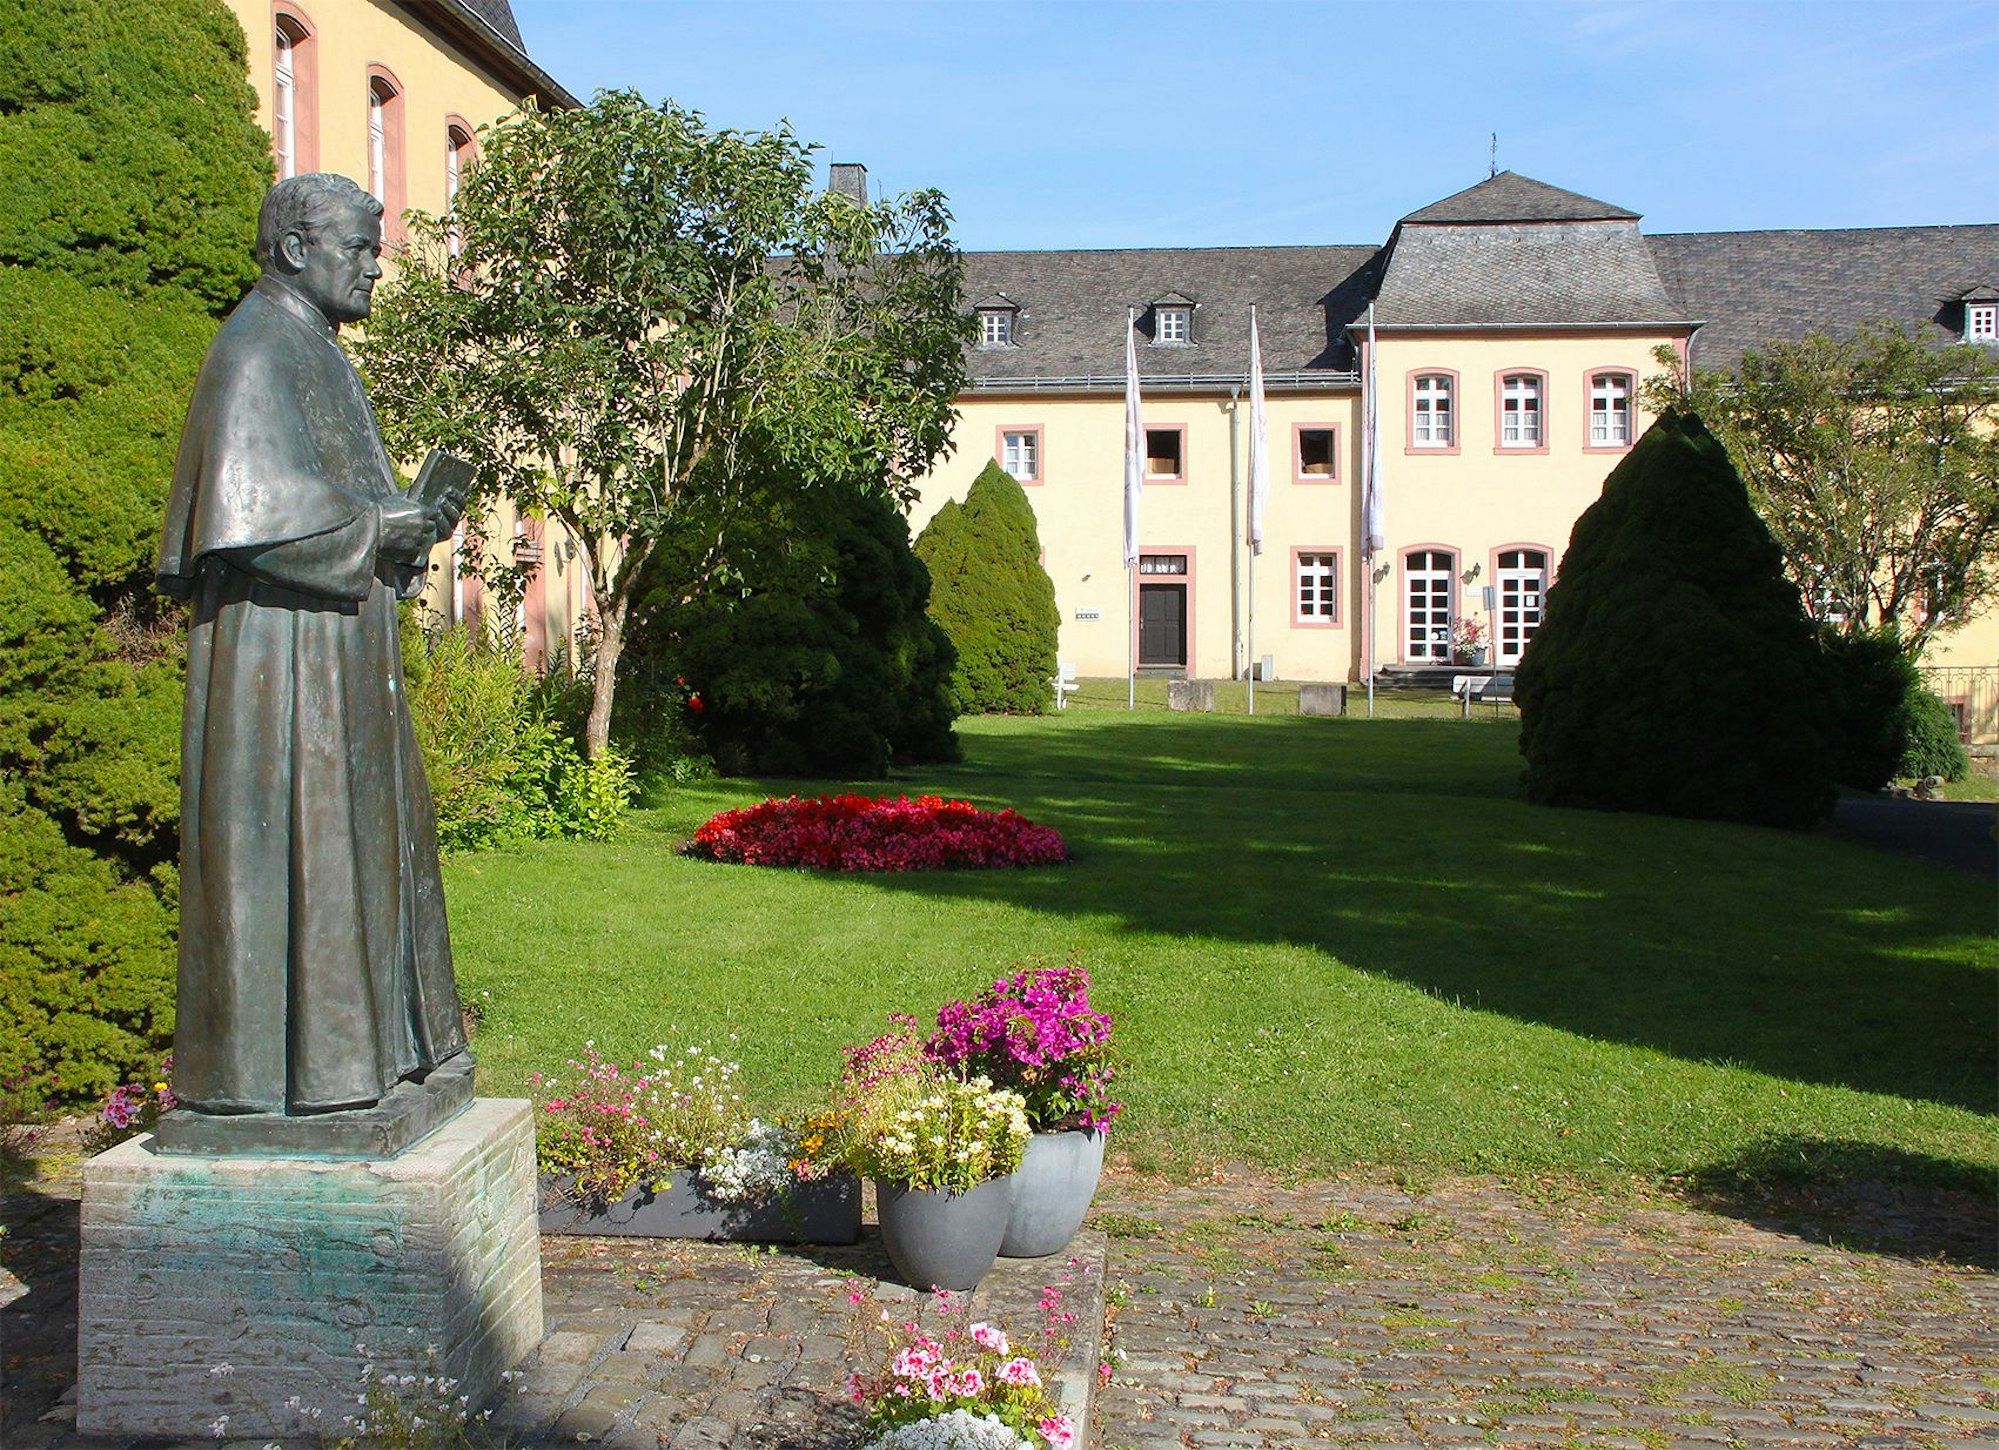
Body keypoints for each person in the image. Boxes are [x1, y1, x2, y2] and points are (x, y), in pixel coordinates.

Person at [157, 174, 471, 1115]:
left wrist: (406, 525)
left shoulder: (321, 352)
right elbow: (250, 515)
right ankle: (305, 1082)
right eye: (360, 250)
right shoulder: (255, 348)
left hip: (337, 652)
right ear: (296, 250)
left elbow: (347, 501)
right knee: (309, 845)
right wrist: (380, 529)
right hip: (283, 665)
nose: (375, 268)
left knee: (362, 844)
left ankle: (375, 1061)